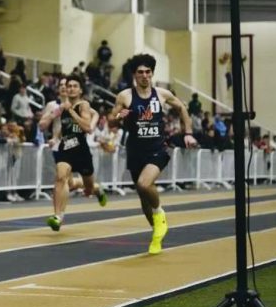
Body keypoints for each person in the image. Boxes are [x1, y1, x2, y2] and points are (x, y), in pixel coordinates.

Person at [110, 53, 198, 255]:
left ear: (152, 74)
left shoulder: (161, 94)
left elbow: (182, 108)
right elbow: (112, 119)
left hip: (157, 148)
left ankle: (160, 215)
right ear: (134, 75)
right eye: (140, 72)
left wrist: (189, 133)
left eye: (148, 72)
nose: (144, 76)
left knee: (144, 183)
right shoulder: (125, 96)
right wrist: (118, 116)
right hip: (135, 150)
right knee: (143, 198)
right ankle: (157, 234)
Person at [43, 76, 107, 231]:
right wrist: (55, 137)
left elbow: (87, 127)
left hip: (81, 150)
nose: (70, 88)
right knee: (60, 177)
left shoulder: (83, 105)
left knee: (88, 189)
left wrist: (72, 112)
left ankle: (98, 189)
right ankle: (58, 217)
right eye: (69, 85)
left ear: (80, 90)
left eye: (74, 86)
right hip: (66, 147)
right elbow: (63, 127)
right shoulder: (64, 107)